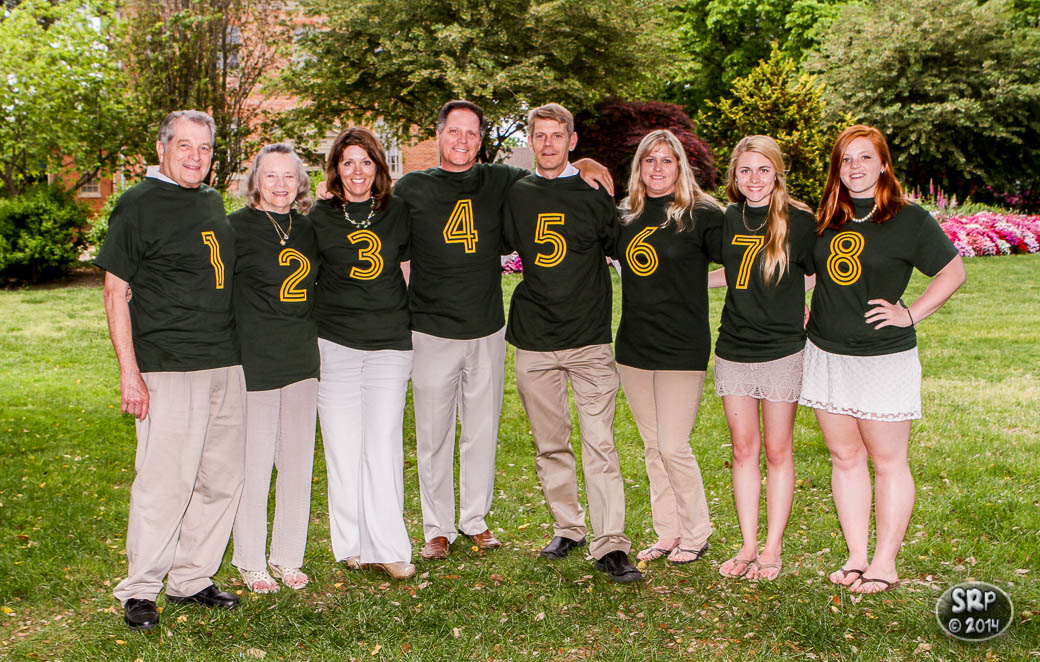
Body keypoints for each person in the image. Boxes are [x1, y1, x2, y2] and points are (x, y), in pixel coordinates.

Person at [391, 100, 613, 560]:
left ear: (482, 140)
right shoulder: (412, 187)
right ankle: (437, 527)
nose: (463, 140)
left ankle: (474, 519)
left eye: (472, 133)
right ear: (439, 134)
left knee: (482, 429)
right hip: (431, 329)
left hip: (487, 327)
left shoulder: (500, 181)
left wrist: (587, 163)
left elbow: (554, 176)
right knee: (433, 433)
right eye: (455, 131)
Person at [96, 110, 245, 631]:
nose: (194, 156)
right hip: (168, 363)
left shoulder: (208, 199)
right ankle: (140, 589)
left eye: (204, 148)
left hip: (225, 361)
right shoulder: (138, 204)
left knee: (221, 479)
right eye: (184, 145)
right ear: (162, 148)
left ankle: (191, 579)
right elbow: (116, 293)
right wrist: (130, 373)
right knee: (165, 481)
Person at [802, 125, 965, 594]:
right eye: (846, 160)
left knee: (888, 460)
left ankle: (884, 562)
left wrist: (910, 313)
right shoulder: (828, 216)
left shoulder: (908, 219)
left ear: (882, 164)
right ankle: (856, 556)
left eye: (864, 158)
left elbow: (954, 272)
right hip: (826, 353)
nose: (855, 167)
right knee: (844, 457)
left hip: (882, 358)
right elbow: (817, 273)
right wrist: (800, 299)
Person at [504, 103, 641, 582]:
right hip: (535, 338)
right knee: (550, 443)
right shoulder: (516, 193)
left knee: (600, 442)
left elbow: (622, 250)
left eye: (556, 136)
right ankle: (568, 526)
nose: (547, 144)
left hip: (588, 339)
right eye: (539, 136)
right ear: (531, 140)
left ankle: (611, 543)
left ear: (572, 141)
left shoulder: (592, 193)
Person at [613, 130, 724, 567]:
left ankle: (697, 532)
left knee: (674, 444)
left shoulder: (703, 215)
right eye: (649, 160)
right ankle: (667, 532)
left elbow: (742, 264)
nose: (657, 168)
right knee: (652, 445)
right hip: (635, 346)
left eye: (666, 160)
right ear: (639, 169)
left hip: (683, 346)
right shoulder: (624, 216)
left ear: (680, 166)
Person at [310, 127, 416, 580]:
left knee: (383, 443)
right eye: (348, 162)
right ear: (336, 168)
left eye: (366, 162)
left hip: (389, 343)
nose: (357, 171)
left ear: (379, 168)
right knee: (342, 446)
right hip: (333, 342)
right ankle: (351, 543)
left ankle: (388, 547)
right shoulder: (318, 216)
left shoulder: (397, 212)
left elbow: (406, 271)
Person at [711, 136, 816, 581]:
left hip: (782, 350)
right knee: (742, 450)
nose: (754, 179)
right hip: (734, 348)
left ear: (777, 172)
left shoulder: (801, 221)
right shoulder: (727, 218)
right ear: (734, 177)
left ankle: (772, 549)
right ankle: (748, 544)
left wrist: (795, 304)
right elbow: (732, 268)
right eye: (744, 171)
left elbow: (815, 274)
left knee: (777, 450)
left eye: (763, 170)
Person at [229, 144, 318, 593]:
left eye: (289, 177)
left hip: (302, 357)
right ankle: (249, 559)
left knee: (298, 464)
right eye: (271, 176)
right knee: (255, 463)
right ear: (255, 181)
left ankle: (287, 556)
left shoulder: (308, 228)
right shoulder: (235, 228)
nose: (280, 185)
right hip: (255, 361)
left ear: (300, 183)